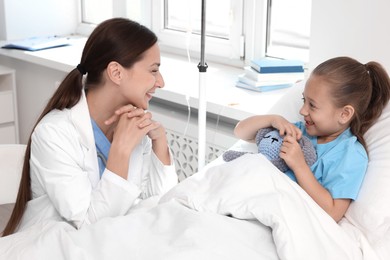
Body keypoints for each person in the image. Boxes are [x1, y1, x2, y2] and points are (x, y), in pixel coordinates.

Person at [2, 18, 178, 236]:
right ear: (116, 72)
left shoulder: (132, 126)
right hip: (53, 246)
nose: (161, 82)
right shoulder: (54, 134)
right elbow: (89, 227)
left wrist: (159, 145)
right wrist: (120, 152)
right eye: (153, 70)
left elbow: (160, 205)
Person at [234, 56, 390, 222]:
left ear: (344, 114)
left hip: (288, 215)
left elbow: (333, 213)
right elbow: (241, 132)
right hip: (255, 199)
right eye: (304, 100)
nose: (302, 111)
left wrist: (299, 166)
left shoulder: (351, 156)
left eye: (312, 105)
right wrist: (272, 119)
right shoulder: (299, 131)